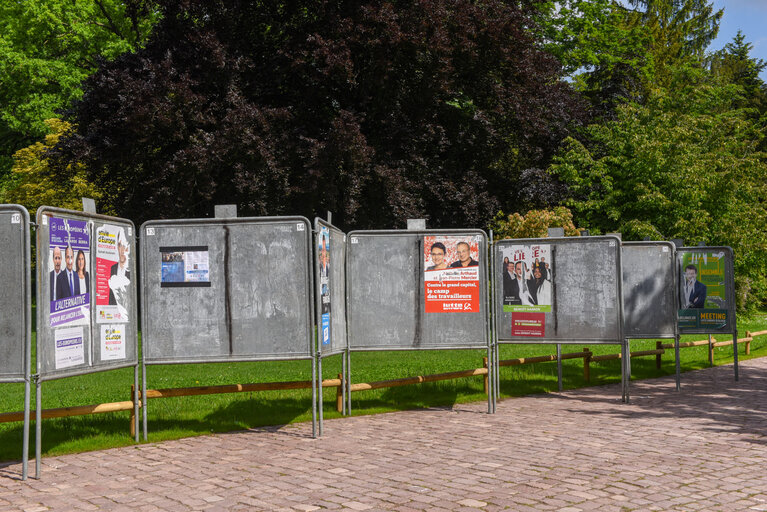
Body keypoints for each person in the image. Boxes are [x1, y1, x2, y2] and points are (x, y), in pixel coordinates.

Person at [109, 233, 130, 305]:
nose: (122, 250)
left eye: (125, 246)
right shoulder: (113, 268)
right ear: (117, 247)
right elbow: (111, 297)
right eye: (120, 245)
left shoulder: (132, 270)